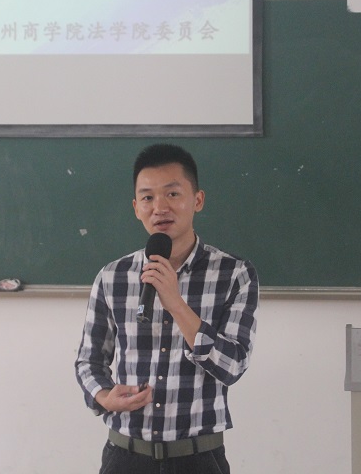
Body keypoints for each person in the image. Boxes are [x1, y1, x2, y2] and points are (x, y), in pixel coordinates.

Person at [75, 143, 259, 474]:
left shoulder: (234, 274)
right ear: (136, 208)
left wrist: (175, 303)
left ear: (197, 200)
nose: (160, 207)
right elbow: (89, 361)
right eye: (147, 197)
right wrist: (104, 396)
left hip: (198, 459)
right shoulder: (113, 276)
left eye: (172, 194)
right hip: (125, 456)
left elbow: (232, 366)